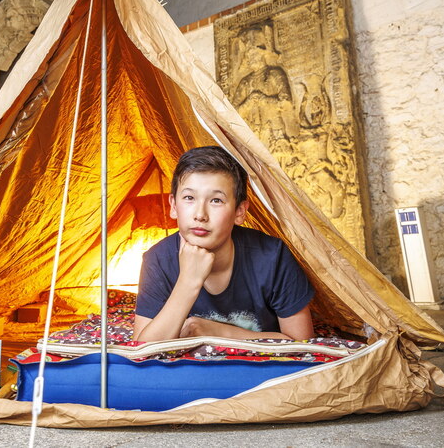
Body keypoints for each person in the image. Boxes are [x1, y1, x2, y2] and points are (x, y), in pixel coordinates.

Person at [133, 146, 315, 342]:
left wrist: (216, 332)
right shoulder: (158, 259)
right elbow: (143, 348)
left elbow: (302, 344)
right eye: (189, 198)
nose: (200, 215)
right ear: (174, 206)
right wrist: (188, 282)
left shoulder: (272, 257)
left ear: (239, 212)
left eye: (216, 200)